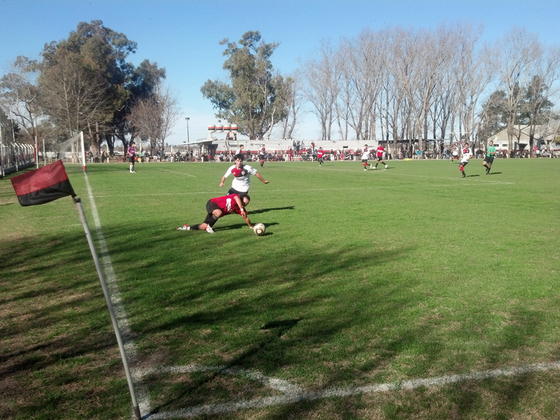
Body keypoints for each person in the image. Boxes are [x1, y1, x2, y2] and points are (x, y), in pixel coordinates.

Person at [177, 193, 253, 233]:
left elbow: (245, 217)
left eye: (246, 204)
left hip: (215, 211)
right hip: (212, 203)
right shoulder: (236, 196)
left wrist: (250, 226)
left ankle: (186, 227)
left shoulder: (239, 209)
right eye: (244, 202)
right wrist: (241, 208)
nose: (244, 204)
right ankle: (209, 228)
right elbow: (236, 198)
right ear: (241, 199)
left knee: (203, 226)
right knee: (219, 213)